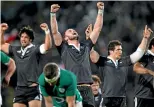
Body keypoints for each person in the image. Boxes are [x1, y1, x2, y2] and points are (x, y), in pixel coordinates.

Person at [50, 2, 104, 107]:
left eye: (74, 30)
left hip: (88, 88)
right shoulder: (63, 48)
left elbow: (97, 29)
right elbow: (55, 32)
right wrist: (52, 14)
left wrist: (101, 11)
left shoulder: (86, 46)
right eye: (70, 31)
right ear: (65, 37)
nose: (73, 31)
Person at [90, 25, 153, 107]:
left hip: (121, 99)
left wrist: (145, 38)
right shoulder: (103, 61)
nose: (121, 51)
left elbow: (139, 53)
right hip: (107, 98)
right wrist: (90, 40)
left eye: (121, 49)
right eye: (118, 49)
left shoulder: (124, 61)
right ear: (111, 51)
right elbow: (92, 55)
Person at [0, 22, 52, 107]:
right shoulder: (16, 49)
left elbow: (47, 46)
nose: (23, 39)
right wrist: (1, 31)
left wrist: (47, 32)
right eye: (22, 37)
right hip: (20, 89)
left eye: (26, 37)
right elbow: (1, 45)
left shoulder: (35, 49)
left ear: (30, 39)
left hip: (33, 89)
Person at [133, 37, 154, 107]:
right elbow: (136, 68)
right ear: (153, 46)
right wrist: (150, 72)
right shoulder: (146, 56)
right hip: (142, 96)